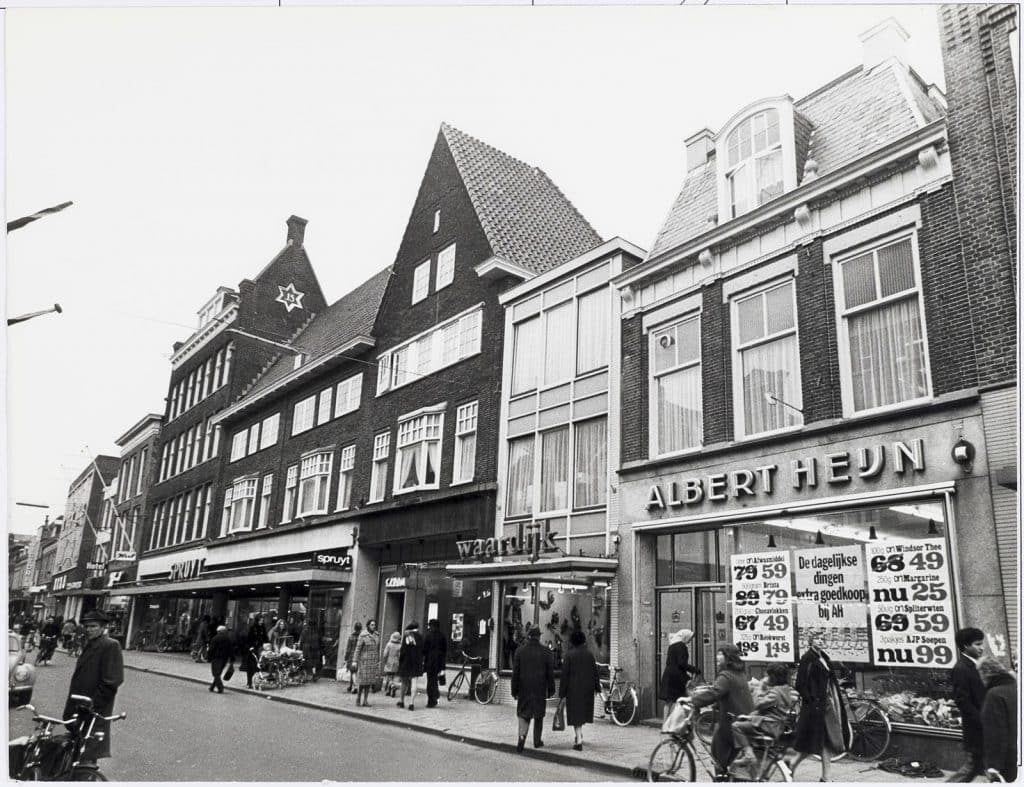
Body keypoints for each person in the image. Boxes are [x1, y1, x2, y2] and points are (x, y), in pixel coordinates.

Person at [63, 610, 124, 765]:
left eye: (93, 626)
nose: (89, 629)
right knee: (74, 753)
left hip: (92, 710)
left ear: (103, 628)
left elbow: (111, 681)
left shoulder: (110, 645)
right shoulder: (90, 644)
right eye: (87, 626)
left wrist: (92, 706)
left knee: (87, 756)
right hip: (79, 708)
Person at [789, 631, 848, 782]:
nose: (821, 641)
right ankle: (791, 766)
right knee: (813, 742)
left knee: (824, 741)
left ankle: (825, 777)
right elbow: (800, 684)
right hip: (815, 707)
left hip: (826, 704)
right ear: (811, 641)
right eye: (817, 639)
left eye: (823, 638)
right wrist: (811, 700)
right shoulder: (807, 658)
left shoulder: (824, 657)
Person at [689, 643, 754, 777]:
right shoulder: (740, 672)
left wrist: (692, 701)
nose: (717, 656)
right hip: (743, 719)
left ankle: (721, 779)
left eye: (721, 654)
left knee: (718, 754)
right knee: (729, 758)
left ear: (728, 657)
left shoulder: (726, 676)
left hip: (731, 722)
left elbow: (714, 693)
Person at [731, 663, 798, 778]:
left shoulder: (775, 693)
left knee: (736, 726)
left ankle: (748, 755)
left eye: (767, 675)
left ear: (773, 677)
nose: (765, 677)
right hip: (775, 725)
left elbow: (757, 704)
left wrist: (760, 687)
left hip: (767, 725)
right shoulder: (785, 689)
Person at [947, 627, 986, 783]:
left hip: (983, 725)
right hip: (977, 727)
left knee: (976, 766)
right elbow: (962, 700)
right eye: (977, 644)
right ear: (965, 646)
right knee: (973, 766)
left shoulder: (976, 664)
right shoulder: (962, 668)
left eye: (982, 643)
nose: (981, 647)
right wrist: (982, 720)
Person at [510, 625, 555, 753]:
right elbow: (550, 674)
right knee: (539, 715)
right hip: (540, 688)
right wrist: (551, 689)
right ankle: (537, 741)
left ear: (528, 636)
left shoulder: (520, 651)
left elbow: (515, 673)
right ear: (539, 636)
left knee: (524, 714)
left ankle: (522, 737)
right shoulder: (546, 652)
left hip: (524, 688)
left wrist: (514, 690)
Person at [559, 629, 600, 751]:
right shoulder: (589, 655)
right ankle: (579, 735)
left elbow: (565, 675)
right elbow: (595, 672)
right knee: (581, 713)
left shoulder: (569, 655)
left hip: (573, 689)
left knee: (575, 714)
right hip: (587, 689)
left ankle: (579, 740)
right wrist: (597, 687)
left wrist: (562, 693)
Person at [978, 658, 1016, 783]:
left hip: (1007, 760)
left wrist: (993, 766)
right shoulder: (1016, 687)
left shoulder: (994, 695)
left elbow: (995, 733)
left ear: (985, 674)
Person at [659, 628, 700, 719]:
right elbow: (682, 663)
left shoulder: (672, 645)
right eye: (690, 637)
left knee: (669, 701)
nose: (690, 640)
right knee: (688, 696)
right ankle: (690, 720)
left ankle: (665, 724)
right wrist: (695, 670)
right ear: (685, 636)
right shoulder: (681, 646)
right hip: (677, 676)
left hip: (669, 675)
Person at [397, 621, 425, 711]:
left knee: (404, 683)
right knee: (414, 683)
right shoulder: (420, 637)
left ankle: (401, 701)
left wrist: (400, 662)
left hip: (406, 661)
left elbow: (403, 651)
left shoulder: (407, 636)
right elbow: (422, 650)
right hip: (416, 662)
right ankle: (411, 703)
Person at [354, 619, 382, 707]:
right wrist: (355, 660)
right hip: (364, 661)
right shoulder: (363, 635)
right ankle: (358, 698)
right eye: (372, 624)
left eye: (374, 624)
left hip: (372, 661)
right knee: (362, 682)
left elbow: (378, 648)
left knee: (369, 682)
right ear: (368, 625)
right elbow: (358, 648)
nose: (373, 626)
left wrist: (378, 659)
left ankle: (365, 700)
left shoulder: (377, 635)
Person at [423, 619, 448, 708]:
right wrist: (443, 665)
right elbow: (445, 651)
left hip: (430, 662)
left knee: (430, 681)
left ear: (431, 626)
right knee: (434, 680)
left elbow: (424, 650)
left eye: (430, 625)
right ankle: (436, 694)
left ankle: (431, 701)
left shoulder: (428, 636)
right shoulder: (442, 636)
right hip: (439, 662)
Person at [242, 614, 267, 689]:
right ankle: (249, 682)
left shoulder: (263, 628)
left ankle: (255, 681)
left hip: (260, 649)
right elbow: (249, 638)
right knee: (251, 667)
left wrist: (266, 645)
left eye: (262, 620)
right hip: (253, 649)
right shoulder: (253, 628)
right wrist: (250, 647)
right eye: (261, 620)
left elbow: (265, 637)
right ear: (257, 620)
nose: (262, 621)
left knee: (258, 665)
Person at [207, 625, 233, 694]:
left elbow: (211, 649)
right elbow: (231, 650)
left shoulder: (215, 638)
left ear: (218, 631)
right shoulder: (228, 639)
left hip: (216, 658)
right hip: (225, 659)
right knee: (218, 673)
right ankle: (212, 687)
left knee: (215, 673)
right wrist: (232, 659)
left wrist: (209, 657)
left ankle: (220, 687)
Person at [343, 622, 363, 694]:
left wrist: (345, 658)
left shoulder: (351, 637)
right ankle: (351, 685)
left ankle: (355, 687)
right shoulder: (362, 637)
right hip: (360, 656)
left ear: (354, 628)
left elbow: (348, 649)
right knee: (354, 672)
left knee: (353, 671)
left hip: (352, 656)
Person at [382, 631, 402, 697]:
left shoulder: (389, 644)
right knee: (395, 676)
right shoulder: (400, 646)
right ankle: (392, 687)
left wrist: (385, 661)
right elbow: (400, 655)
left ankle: (390, 688)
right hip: (396, 662)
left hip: (389, 662)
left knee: (388, 676)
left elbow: (385, 654)